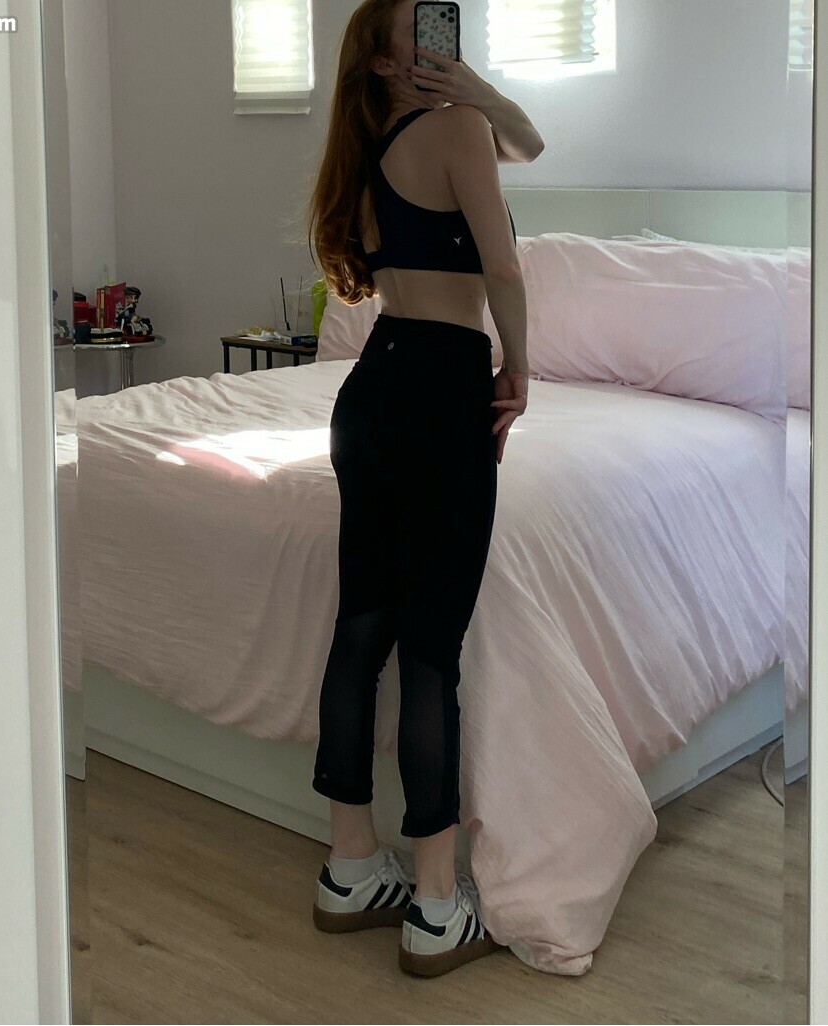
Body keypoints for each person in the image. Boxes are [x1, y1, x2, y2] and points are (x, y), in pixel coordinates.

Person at [304, 0, 540, 978]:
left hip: (369, 390)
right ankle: (438, 904)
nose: (442, 33)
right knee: (432, 649)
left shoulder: (363, 150)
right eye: (421, 26)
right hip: (441, 387)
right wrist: (519, 366)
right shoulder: (456, 130)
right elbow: (502, 266)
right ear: (386, 57)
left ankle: (350, 867)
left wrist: (474, 90)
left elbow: (529, 141)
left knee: (364, 628)